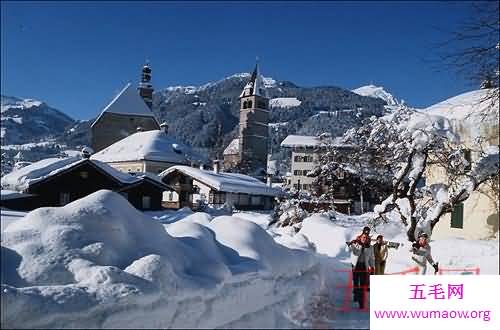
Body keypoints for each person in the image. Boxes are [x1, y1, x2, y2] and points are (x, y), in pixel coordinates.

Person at [348, 233, 375, 309]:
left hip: (364, 267)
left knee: (363, 285)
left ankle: (361, 302)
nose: (365, 239)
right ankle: (356, 295)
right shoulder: (356, 244)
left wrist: (372, 267)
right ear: (360, 238)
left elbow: (372, 258)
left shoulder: (370, 247)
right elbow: (349, 250)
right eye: (363, 237)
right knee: (356, 283)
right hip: (356, 267)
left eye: (366, 238)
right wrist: (351, 244)